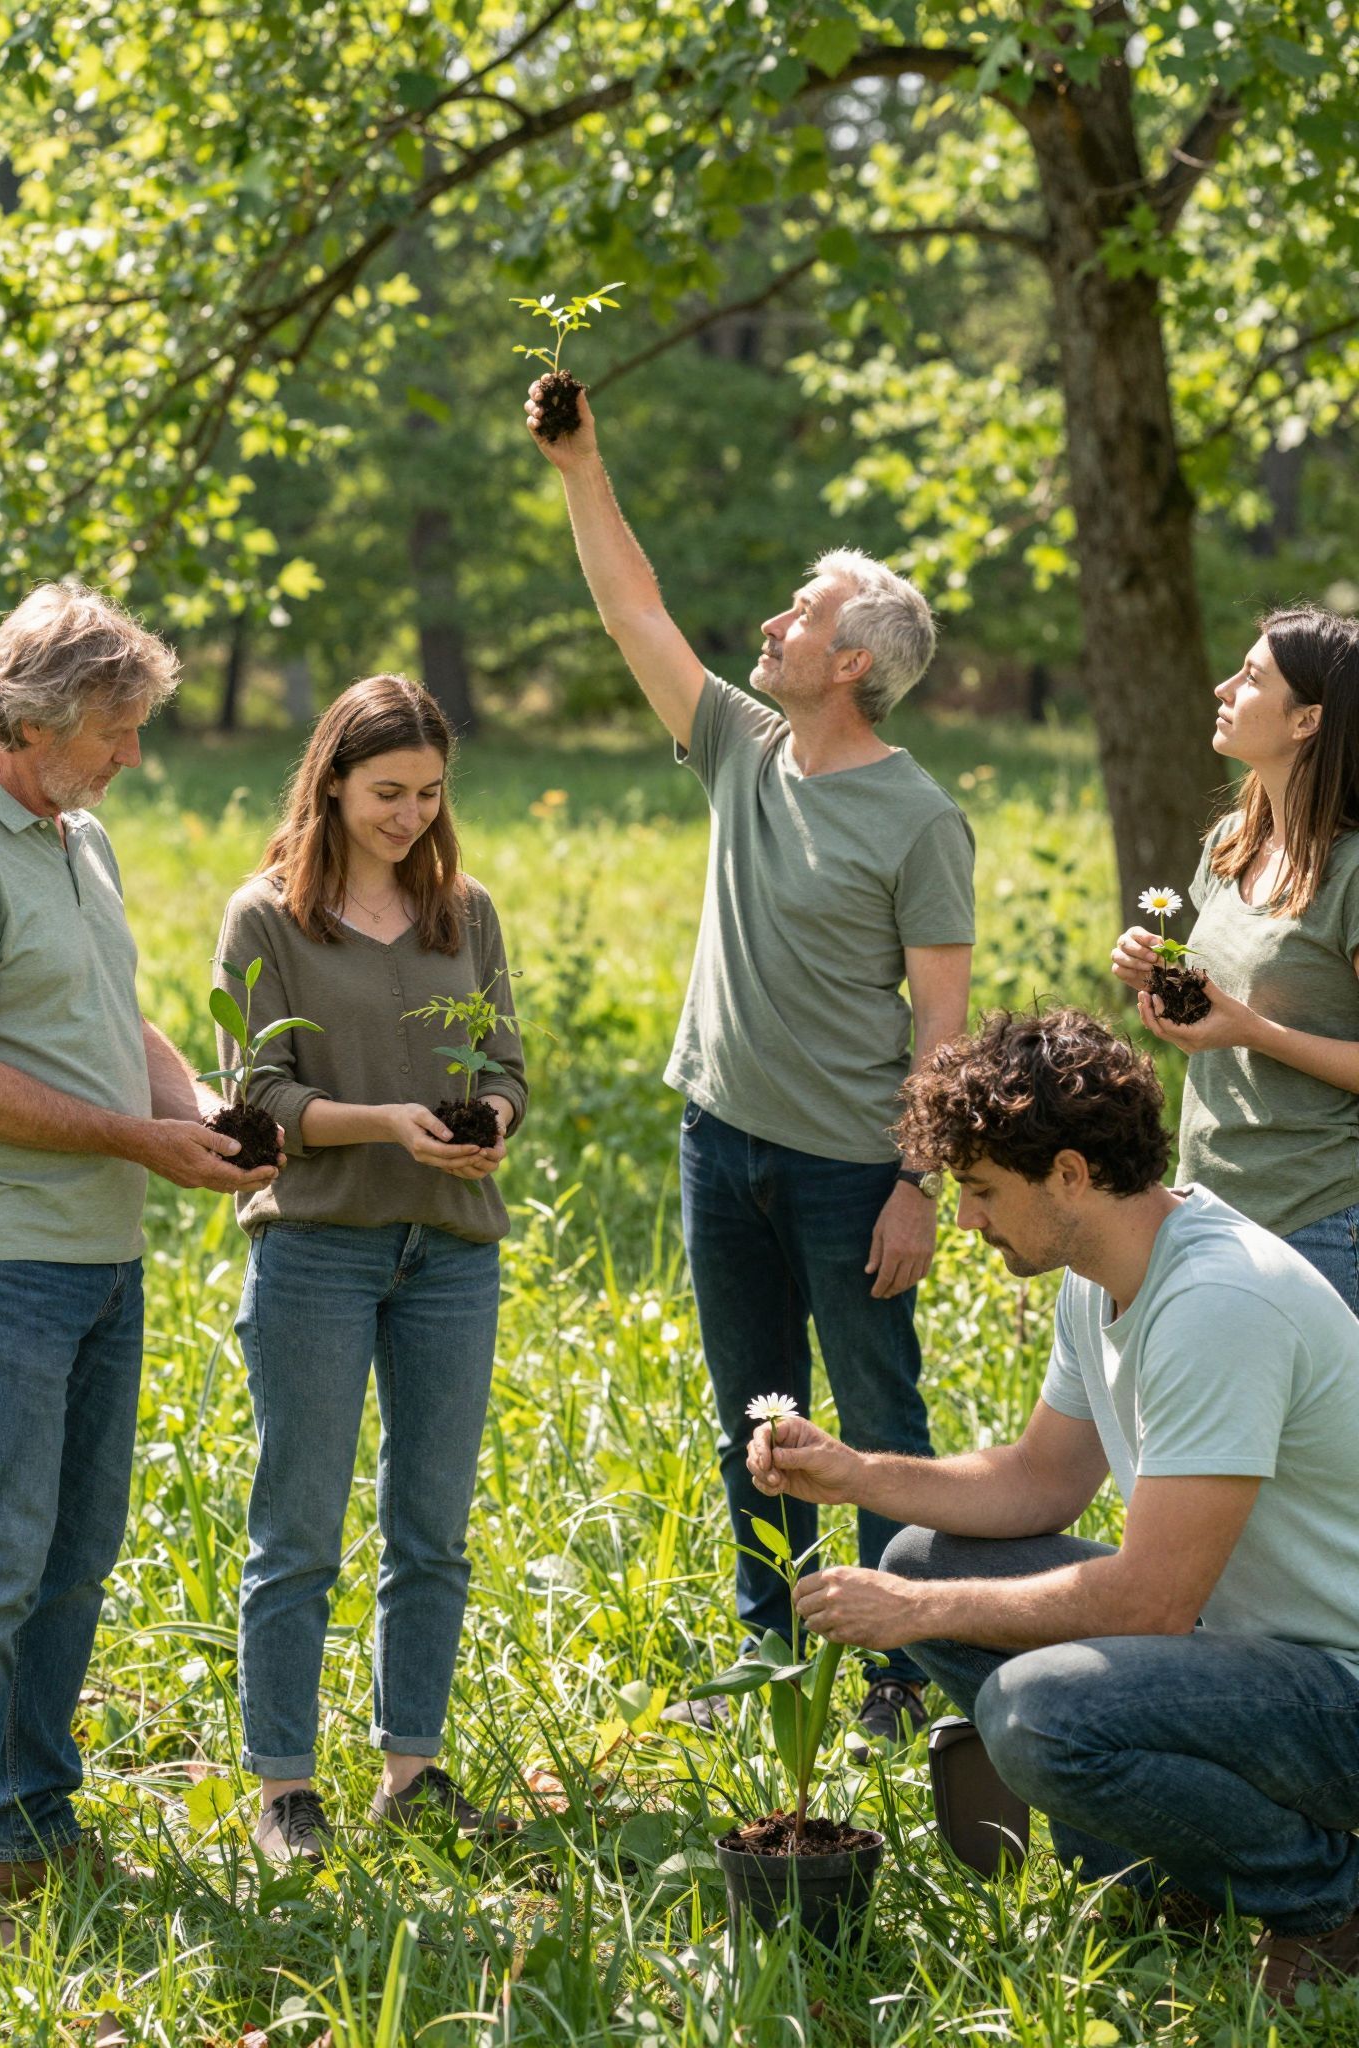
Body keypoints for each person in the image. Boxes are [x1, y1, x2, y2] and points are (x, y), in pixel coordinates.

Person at [748, 1006, 1359, 2005]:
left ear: (1070, 1173)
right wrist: (856, 1472)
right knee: (916, 1557)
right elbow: (1039, 1478)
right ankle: (1175, 1876)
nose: (969, 1218)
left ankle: (1325, 1899)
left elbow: (1151, 1599)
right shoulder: (1105, 1272)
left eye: (984, 1191)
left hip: (1339, 1685)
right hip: (1252, 1655)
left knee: (1037, 1715)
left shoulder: (1217, 1301)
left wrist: (917, 1620)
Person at [527, 382, 973, 1748]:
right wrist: (580, 461)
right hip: (719, 1144)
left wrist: (920, 1186)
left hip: (852, 1172)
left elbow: (946, 1027)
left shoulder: (919, 817)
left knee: (880, 1411)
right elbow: (631, 612)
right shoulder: (739, 744)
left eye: (800, 615)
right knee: (757, 1412)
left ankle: (903, 1671)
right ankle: (773, 1649)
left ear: (854, 662)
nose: (772, 626)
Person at [0, 585, 279, 1957]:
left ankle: (32, 1813)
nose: (132, 755)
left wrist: (192, 1107)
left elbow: (111, 1011)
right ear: (33, 719)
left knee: (74, 1555)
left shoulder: (73, 834)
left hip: (101, 1252)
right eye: (116, 728)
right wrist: (143, 1141)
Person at [215, 674, 528, 1865]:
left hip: (448, 1247)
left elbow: (506, 1060)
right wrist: (387, 1120)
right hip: (318, 1245)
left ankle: (414, 1767)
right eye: (387, 791)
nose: (409, 814)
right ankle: (285, 1786)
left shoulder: (465, 908)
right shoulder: (267, 919)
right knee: (298, 1524)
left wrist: (490, 1114)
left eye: (430, 793)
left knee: (432, 1525)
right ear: (333, 779)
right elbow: (259, 1098)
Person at [1112, 607, 1359, 1310]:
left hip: (1322, 1223)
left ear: (1306, 721)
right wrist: (1160, 976)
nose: (1223, 688)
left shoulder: (1352, 873)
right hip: (1210, 1203)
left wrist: (1249, 1029)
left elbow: (1251, 1020)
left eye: (1250, 678)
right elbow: (1225, 1003)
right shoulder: (1232, 842)